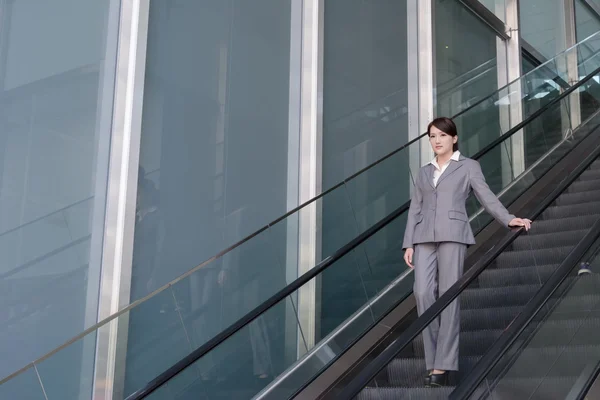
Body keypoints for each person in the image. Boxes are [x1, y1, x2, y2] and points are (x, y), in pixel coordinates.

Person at [402, 117, 531, 387]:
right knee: (423, 292)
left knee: (449, 295)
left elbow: (486, 197)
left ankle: (442, 365)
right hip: (424, 236)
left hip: (454, 235)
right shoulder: (425, 171)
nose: (436, 141)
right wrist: (409, 243)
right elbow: (415, 207)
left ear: (454, 138)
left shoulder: (469, 166)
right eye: (432, 136)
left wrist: (508, 219)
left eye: (441, 136)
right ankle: (434, 358)